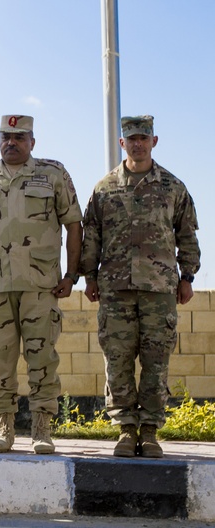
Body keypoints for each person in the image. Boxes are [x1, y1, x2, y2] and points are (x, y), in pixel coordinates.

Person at [81, 115, 200, 458]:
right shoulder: (105, 188)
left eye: (143, 138)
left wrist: (188, 276)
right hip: (115, 289)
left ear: (154, 141)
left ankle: (149, 431)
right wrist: (89, 276)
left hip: (159, 289)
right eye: (131, 138)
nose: (137, 144)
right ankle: (125, 429)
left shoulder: (173, 187)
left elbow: (187, 235)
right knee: (117, 360)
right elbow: (93, 236)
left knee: (156, 360)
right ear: (122, 143)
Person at [0, 115, 82, 454]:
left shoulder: (52, 174)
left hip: (40, 283)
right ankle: (4, 427)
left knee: (42, 355)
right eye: (5, 137)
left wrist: (71, 274)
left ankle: (42, 428)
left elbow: (74, 223)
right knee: (0, 357)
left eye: (19, 137)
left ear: (32, 141)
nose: (11, 143)